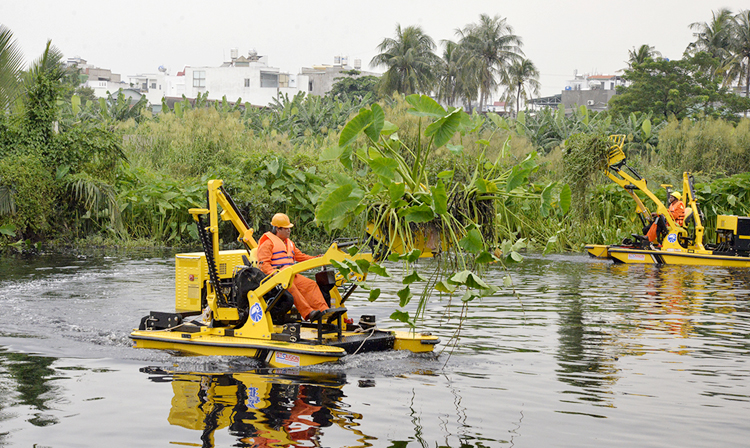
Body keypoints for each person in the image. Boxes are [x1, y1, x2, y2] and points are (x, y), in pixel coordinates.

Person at [256, 213, 330, 321]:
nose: (289, 231)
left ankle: (324, 311)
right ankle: (308, 313)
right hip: (277, 278)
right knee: (292, 288)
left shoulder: (289, 243)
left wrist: (317, 258)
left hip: (291, 275)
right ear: (277, 229)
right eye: (286, 229)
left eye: (289, 228)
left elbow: (301, 257)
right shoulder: (267, 243)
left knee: (310, 285)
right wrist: (275, 273)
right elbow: (263, 264)